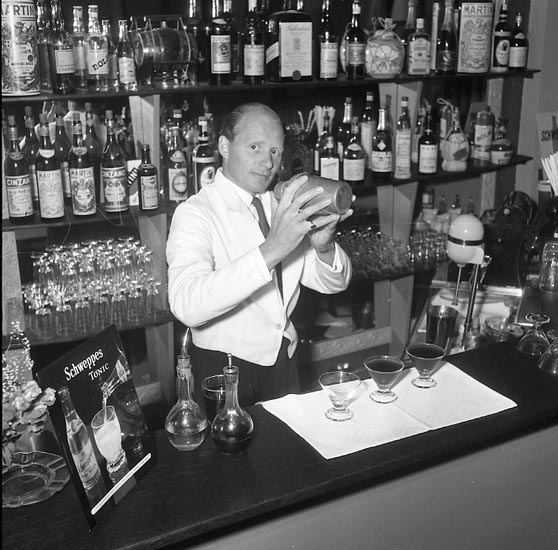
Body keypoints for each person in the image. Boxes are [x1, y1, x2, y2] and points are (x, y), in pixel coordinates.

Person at [166, 102, 353, 406]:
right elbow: (186, 305)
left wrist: (323, 246)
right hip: (225, 371)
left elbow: (334, 283)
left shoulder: (280, 205)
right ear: (224, 146)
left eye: (275, 152)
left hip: (284, 363)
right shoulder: (196, 213)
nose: (267, 162)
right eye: (255, 147)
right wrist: (272, 248)